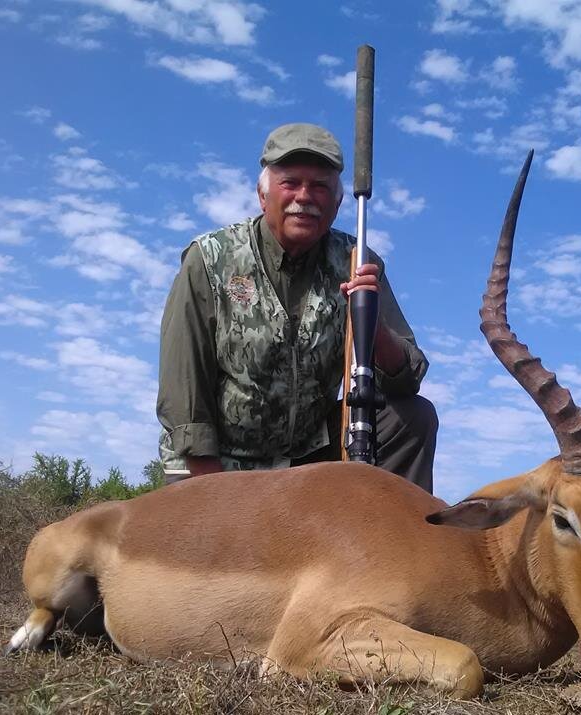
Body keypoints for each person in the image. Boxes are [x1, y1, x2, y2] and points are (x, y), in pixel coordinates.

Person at [157, 123, 437, 492]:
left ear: (336, 204)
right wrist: (216, 495)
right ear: (263, 195)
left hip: (309, 453)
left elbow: (407, 380)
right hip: (218, 459)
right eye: (291, 182)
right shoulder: (209, 259)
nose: (305, 197)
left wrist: (372, 326)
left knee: (413, 417)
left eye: (320, 186)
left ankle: (389, 540)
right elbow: (183, 391)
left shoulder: (358, 261)